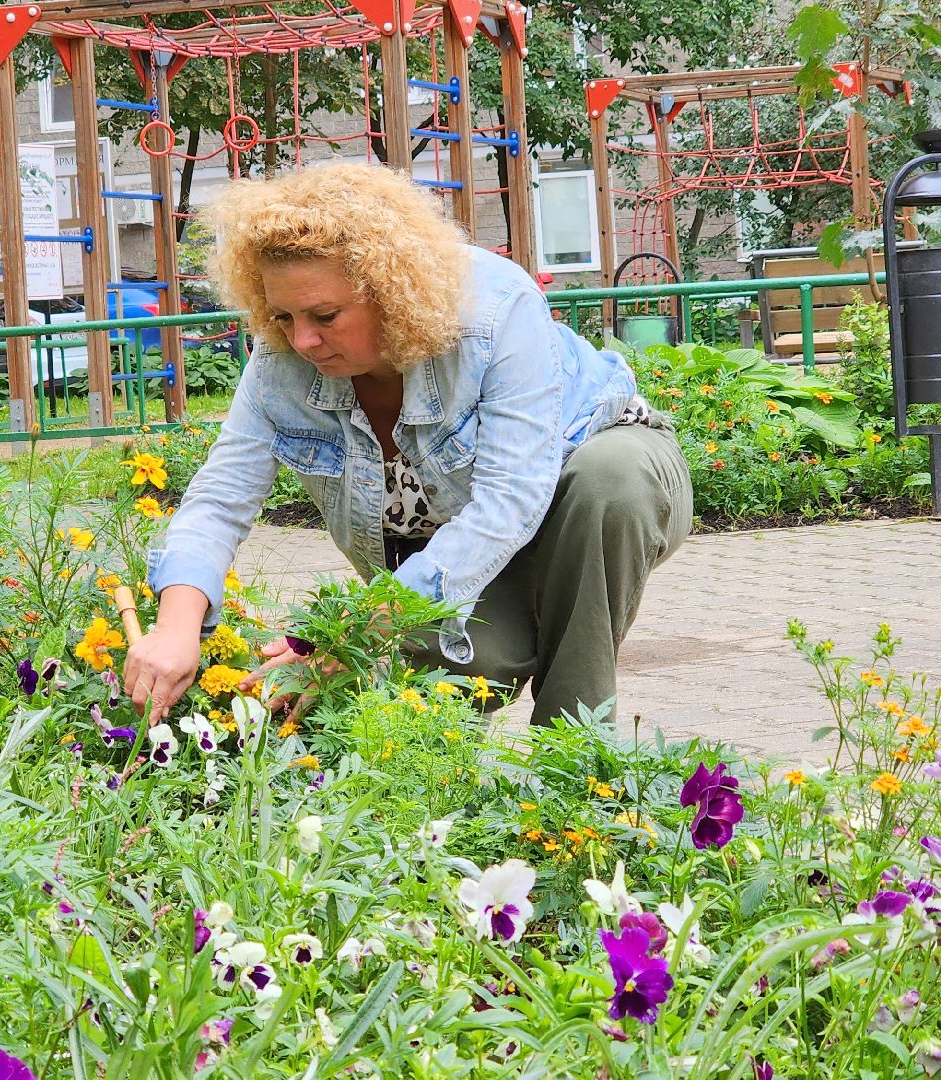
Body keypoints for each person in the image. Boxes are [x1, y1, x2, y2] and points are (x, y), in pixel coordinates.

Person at [122, 161, 692, 726]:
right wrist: (175, 630)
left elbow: (510, 500)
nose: (302, 339)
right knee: (460, 675)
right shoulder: (282, 355)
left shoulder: (492, 310)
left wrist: (348, 635)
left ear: (395, 292)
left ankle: (573, 762)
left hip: (591, 486)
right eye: (283, 315)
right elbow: (219, 498)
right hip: (461, 547)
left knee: (609, 482)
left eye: (324, 314)